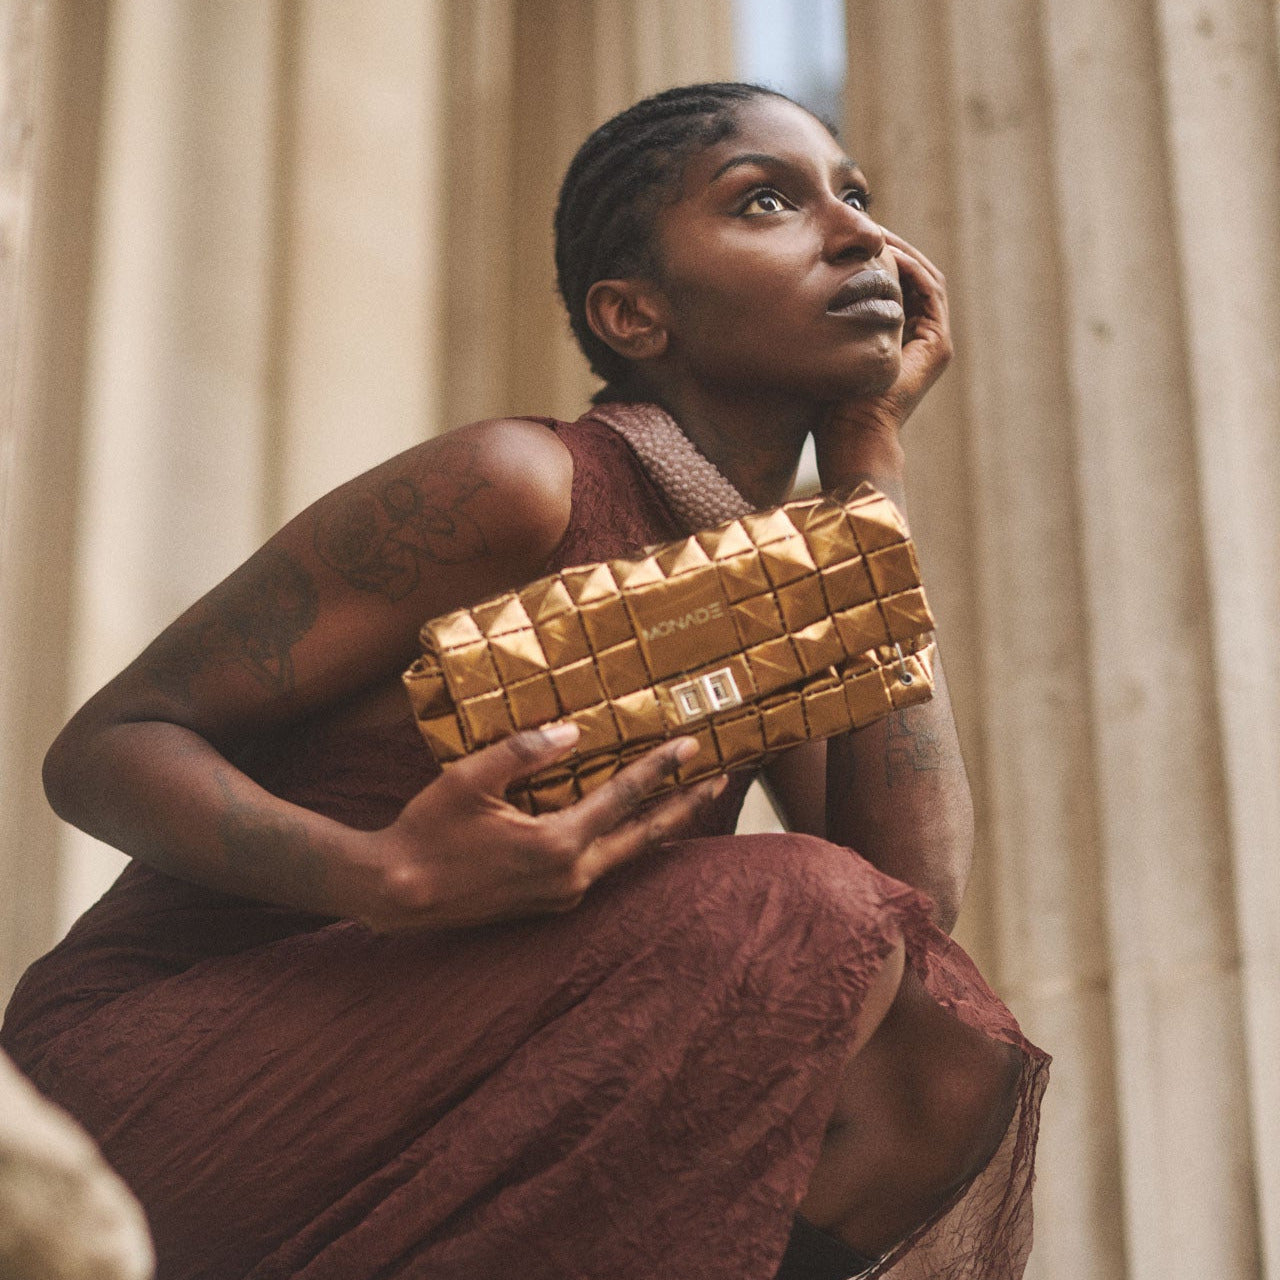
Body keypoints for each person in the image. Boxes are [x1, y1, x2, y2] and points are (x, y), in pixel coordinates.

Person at [2, 83, 1047, 1280]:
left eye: (855, 195)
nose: (861, 233)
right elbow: (104, 744)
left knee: (937, 1062)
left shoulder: (780, 579)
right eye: (768, 200)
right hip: (169, 1066)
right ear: (633, 314)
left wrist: (867, 465)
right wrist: (383, 872)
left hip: (441, 1065)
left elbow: (909, 893)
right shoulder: (518, 483)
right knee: (794, 901)